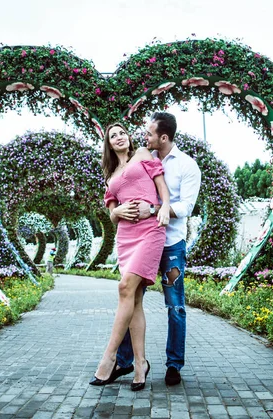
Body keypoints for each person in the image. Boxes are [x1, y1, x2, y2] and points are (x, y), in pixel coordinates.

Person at [115, 112, 202, 386]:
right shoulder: (142, 160)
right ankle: (124, 362)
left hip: (171, 245)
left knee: (175, 306)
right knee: (131, 299)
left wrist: (152, 209)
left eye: (150, 133)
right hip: (142, 243)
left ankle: (174, 365)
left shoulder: (187, 166)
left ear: (164, 138)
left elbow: (186, 207)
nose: (145, 136)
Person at [89, 123, 171, 391]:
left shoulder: (144, 155)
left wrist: (164, 208)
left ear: (128, 136)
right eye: (113, 135)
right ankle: (140, 364)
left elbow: (162, 187)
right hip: (125, 237)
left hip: (149, 231)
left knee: (124, 287)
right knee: (134, 300)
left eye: (122, 132)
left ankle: (109, 357)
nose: (119, 137)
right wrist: (118, 211)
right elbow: (112, 213)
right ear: (109, 144)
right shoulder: (110, 175)